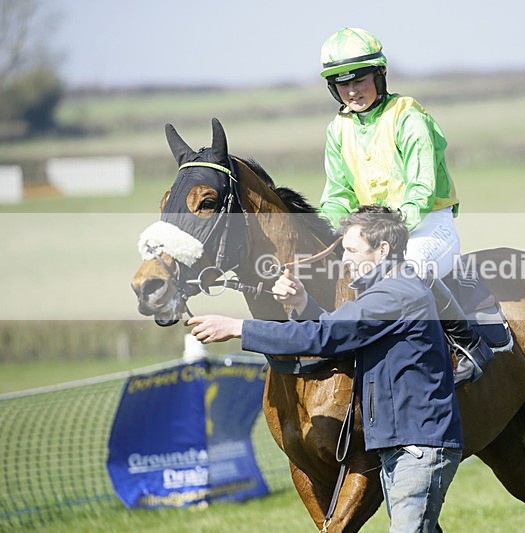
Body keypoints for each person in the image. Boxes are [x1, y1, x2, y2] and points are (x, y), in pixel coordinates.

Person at [187, 205, 462, 532]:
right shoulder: (383, 292)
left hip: (418, 447)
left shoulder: (395, 295)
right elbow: (338, 333)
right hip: (402, 445)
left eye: (352, 250)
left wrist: (240, 328)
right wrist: (304, 304)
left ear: (383, 250)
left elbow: (324, 335)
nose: (344, 259)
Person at [318, 27, 494, 383]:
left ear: (379, 76)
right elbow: (337, 193)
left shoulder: (408, 116)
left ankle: (469, 343)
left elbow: (421, 190)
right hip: (372, 235)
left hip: (428, 224)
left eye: (359, 80)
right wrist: (328, 230)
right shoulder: (338, 129)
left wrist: (384, 234)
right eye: (341, 83)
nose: (351, 91)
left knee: (408, 272)